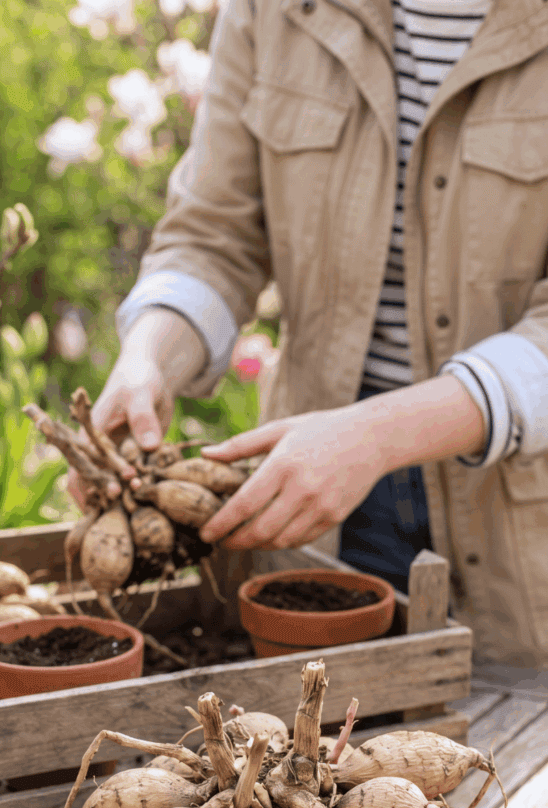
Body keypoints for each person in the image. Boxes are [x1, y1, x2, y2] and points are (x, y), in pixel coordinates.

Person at [87, 0, 548, 668]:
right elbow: (214, 235)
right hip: (315, 508)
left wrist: (376, 434)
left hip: (521, 535)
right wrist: (151, 353)